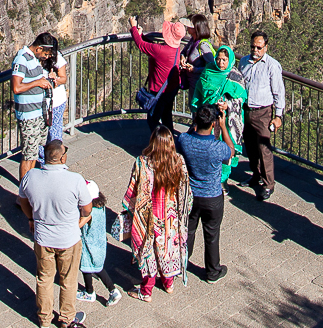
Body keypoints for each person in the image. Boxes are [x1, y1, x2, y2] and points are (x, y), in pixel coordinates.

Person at [17, 139, 93, 328]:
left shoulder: (31, 177)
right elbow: (87, 209)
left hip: (43, 238)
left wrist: (31, 219)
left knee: (44, 278)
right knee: (68, 280)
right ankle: (66, 319)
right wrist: (79, 221)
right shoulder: (75, 180)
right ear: (62, 157)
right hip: (68, 239)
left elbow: (23, 201)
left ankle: (44, 318)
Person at [124, 125, 191, 302]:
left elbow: (133, 192)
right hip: (171, 217)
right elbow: (185, 193)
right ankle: (168, 283)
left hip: (148, 217)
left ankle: (146, 291)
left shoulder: (142, 163)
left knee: (148, 252)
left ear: (153, 142)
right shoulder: (178, 161)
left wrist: (132, 212)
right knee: (168, 249)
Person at [175, 102, 234, 282]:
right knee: (211, 234)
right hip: (212, 197)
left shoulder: (185, 141)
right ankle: (212, 271)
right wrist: (223, 128)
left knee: (188, 231)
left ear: (195, 121)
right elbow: (230, 152)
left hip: (191, 195)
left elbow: (188, 135)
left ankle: (180, 263)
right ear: (213, 123)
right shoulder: (217, 148)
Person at [239, 31, 286, 201]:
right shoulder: (243, 62)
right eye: (253, 46)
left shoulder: (272, 65)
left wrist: (278, 115)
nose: (255, 50)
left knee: (264, 149)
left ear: (266, 47)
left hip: (263, 112)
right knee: (250, 146)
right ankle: (255, 175)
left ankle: (268, 184)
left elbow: (278, 92)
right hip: (246, 110)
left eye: (259, 47)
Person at [191, 48, 248, 179]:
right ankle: (206, 175)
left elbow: (240, 99)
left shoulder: (235, 76)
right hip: (207, 118)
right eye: (218, 59)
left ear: (230, 60)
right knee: (206, 147)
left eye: (224, 60)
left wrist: (228, 105)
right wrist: (197, 112)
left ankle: (223, 179)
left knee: (225, 148)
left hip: (226, 121)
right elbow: (199, 93)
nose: (221, 63)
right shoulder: (208, 71)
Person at [13, 31, 61, 183]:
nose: (47, 57)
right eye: (46, 54)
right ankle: (23, 195)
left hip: (38, 112)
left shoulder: (33, 59)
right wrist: (38, 83)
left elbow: (33, 80)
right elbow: (17, 87)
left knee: (33, 154)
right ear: (39, 48)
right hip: (28, 115)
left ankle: (31, 187)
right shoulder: (22, 59)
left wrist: (47, 80)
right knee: (28, 155)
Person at [128, 15, 181, 130]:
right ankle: (169, 141)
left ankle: (159, 144)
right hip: (172, 87)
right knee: (167, 116)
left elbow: (142, 46)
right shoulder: (176, 48)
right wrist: (141, 35)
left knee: (153, 119)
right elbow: (154, 47)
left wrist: (133, 28)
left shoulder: (160, 51)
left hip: (159, 90)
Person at [77, 186, 120, 308]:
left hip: (89, 246)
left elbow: (79, 225)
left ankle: (90, 292)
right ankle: (112, 290)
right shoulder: (100, 207)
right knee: (98, 268)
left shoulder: (89, 212)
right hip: (99, 244)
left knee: (86, 267)